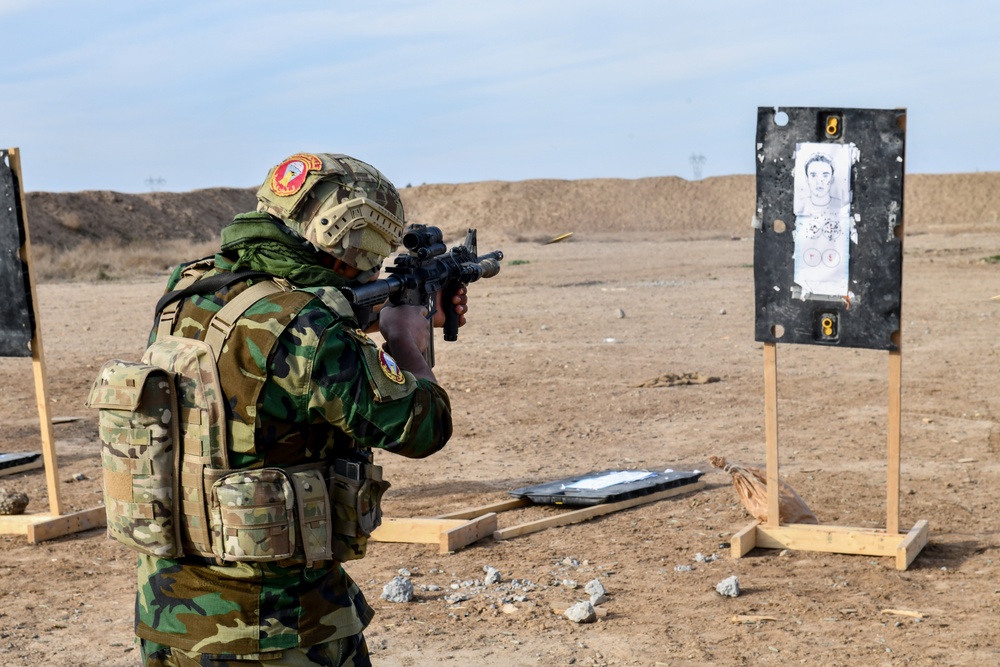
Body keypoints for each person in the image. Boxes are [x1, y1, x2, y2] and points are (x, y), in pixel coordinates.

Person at [136, 152, 466, 667]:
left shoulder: (190, 286)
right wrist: (407, 341)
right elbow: (424, 427)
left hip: (169, 615)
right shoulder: (310, 330)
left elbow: (258, 357)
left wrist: (359, 324)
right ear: (352, 236)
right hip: (276, 629)